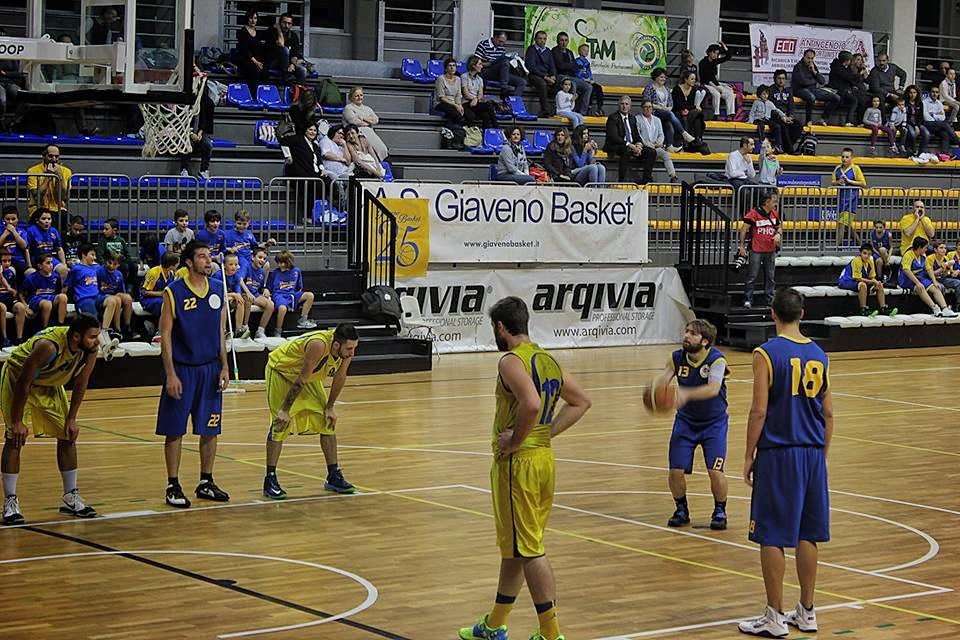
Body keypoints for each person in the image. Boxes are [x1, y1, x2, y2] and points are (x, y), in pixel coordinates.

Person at [458, 296, 591, 640]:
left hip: (519, 465)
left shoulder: (511, 362)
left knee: (530, 549)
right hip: (543, 460)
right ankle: (494, 624)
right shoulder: (547, 360)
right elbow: (580, 401)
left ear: (501, 327)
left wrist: (517, 440)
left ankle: (551, 633)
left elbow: (531, 404)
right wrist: (543, 434)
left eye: (494, 328)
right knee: (517, 547)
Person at [738, 288, 832, 638]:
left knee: (772, 534)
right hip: (812, 453)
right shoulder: (820, 354)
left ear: (773, 313)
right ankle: (807, 611)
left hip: (780, 453)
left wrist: (748, 455)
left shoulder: (766, 353)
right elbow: (829, 412)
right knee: (809, 533)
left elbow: (759, 409)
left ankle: (775, 616)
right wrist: (820, 455)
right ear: (802, 314)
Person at [1, 315, 103, 525]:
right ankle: (10, 502)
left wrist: (72, 418)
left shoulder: (90, 349)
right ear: (76, 337)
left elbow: (82, 381)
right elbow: (23, 382)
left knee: (68, 434)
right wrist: (18, 421)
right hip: (17, 379)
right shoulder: (48, 347)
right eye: (92, 336)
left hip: (48, 382)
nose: (97, 340)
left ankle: (70, 496)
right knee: (15, 437)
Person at [156, 240, 231, 508]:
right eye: (201, 257)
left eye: (209, 256)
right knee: (175, 430)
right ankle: (173, 485)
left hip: (210, 369)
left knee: (210, 429)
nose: (207, 261)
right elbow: (165, 336)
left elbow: (220, 332)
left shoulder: (219, 289)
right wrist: (170, 374)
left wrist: (224, 366)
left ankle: (206, 481)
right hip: (183, 370)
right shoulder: (173, 291)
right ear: (189, 262)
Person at [262, 323, 360, 499]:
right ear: (336, 345)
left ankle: (333, 475)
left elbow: (340, 376)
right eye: (350, 348)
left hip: (307, 377)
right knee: (280, 424)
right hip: (281, 372)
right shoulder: (318, 345)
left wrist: (330, 406)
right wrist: (285, 410)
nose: (352, 353)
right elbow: (301, 379)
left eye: (354, 348)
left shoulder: (345, 350)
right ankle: (270, 479)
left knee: (327, 421)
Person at [655, 319, 730, 530]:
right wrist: (657, 392)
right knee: (675, 471)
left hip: (713, 424)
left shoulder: (717, 360)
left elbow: (713, 389)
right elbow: (663, 380)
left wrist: (685, 394)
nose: (686, 336)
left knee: (715, 471)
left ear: (705, 341)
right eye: (686, 331)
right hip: (686, 422)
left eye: (692, 333)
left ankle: (720, 510)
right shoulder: (677, 358)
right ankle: (681, 510)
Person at [738, 190, 781, 309]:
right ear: (766, 202)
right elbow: (743, 230)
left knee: (770, 276)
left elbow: (779, 227)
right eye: (774, 201)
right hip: (756, 250)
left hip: (770, 250)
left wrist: (779, 234)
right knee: (752, 275)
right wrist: (741, 246)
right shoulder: (753, 214)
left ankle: (770, 299)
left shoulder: (775, 214)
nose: (776, 204)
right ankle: (748, 298)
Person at [603, 95, 655, 183]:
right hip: (616, 145)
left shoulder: (632, 118)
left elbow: (636, 135)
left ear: (630, 106)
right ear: (618, 105)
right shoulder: (612, 118)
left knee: (651, 152)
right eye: (622, 104)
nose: (624, 106)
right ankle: (622, 180)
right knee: (626, 150)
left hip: (631, 146)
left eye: (627, 104)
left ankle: (646, 180)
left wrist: (639, 144)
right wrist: (630, 145)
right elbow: (614, 137)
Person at [899, 236, 955, 316]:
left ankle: (945, 309)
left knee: (935, 288)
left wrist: (934, 281)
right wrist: (917, 283)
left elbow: (929, 270)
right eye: (925, 247)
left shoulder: (923, 256)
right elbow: (906, 270)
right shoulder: (908, 254)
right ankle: (935, 308)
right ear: (919, 247)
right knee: (920, 287)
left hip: (920, 277)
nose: (926, 249)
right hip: (907, 278)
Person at [265, 249, 317, 334]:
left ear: (288, 262)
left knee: (310, 295)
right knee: (282, 308)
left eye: (282, 262)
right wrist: (266, 290)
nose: (279, 265)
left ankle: (303, 320)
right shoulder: (275, 272)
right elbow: (269, 286)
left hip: (292, 294)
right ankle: (278, 330)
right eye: (278, 262)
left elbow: (299, 287)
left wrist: (295, 299)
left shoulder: (296, 271)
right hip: (279, 295)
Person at [838, 243, 893, 317]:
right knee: (862, 285)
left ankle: (883, 308)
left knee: (879, 286)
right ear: (860, 253)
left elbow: (872, 276)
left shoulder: (870, 261)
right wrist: (872, 281)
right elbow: (857, 278)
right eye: (864, 253)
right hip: (845, 281)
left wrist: (876, 282)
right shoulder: (856, 261)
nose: (866, 256)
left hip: (857, 281)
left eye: (869, 254)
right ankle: (863, 309)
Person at [643, 68, 692, 150]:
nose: (663, 79)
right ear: (656, 77)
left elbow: (671, 103)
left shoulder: (666, 89)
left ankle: (669, 145)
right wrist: (660, 107)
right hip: (655, 111)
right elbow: (646, 102)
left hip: (666, 111)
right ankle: (683, 133)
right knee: (669, 114)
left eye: (665, 77)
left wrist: (668, 108)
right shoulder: (650, 88)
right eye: (661, 77)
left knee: (669, 122)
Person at [179, 70, 215, 181]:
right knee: (188, 145)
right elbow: (181, 121)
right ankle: (184, 169)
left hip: (198, 131)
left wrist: (199, 133)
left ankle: (204, 170)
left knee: (208, 145)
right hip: (184, 131)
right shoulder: (185, 101)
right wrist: (190, 133)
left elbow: (204, 122)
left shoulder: (205, 103)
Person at [791, 49, 840, 126]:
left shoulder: (813, 66)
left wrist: (814, 71)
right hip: (800, 89)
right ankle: (808, 120)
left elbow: (822, 81)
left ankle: (823, 118)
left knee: (836, 98)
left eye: (812, 58)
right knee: (811, 97)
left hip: (813, 89)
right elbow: (803, 82)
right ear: (804, 57)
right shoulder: (798, 67)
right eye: (808, 58)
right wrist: (814, 80)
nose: (810, 60)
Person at [474, 32, 527, 100]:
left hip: (501, 73)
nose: (501, 44)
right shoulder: (483, 44)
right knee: (504, 62)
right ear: (495, 37)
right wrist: (490, 63)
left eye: (503, 42)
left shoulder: (501, 47)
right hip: (486, 71)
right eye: (500, 41)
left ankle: (512, 103)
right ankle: (504, 89)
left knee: (522, 82)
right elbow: (475, 62)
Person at [97, 250, 136, 340]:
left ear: (118, 265)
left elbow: (121, 291)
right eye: (109, 262)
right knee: (116, 299)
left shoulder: (119, 274)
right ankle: (117, 328)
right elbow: (95, 289)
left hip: (114, 296)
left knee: (127, 298)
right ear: (106, 260)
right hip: (101, 296)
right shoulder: (98, 272)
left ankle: (127, 326)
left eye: (115, 264)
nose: (111, 265)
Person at [637, 100, 679, 183]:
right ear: (642, 108)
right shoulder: (637, 119)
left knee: (665, 154)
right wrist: (648, 144)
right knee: (651, 152)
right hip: (644, 146)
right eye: (646, 107)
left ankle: (673, 176)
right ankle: (648, 177)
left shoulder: (657, 120)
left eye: (650, 107)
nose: (648, 109)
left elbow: (661, 134)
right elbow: (638, 135)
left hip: (655, 145)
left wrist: (659, 143)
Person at [140, 251, 180, 338]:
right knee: (165, 304)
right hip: (147, 300)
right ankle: (159, 332)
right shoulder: (154, 272)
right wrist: (161, 294)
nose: (178, 265)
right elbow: (144, 292)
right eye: (177, 264)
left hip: (161, 298)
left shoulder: (172, 274)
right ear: (171, 265)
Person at [343, 86, 389, 160]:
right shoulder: (348, 108)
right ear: (351, 97)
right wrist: (367, 120)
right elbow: (354, 121)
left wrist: (361, 117)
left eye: (361, 95)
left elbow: (376, 120)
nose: (359, 97)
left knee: (382, 148)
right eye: (356, 96)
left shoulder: (367, 108)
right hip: (356, 133)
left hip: (369, 131)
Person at [831, 148, 866, 247]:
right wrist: (838, 182)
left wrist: (849, 181)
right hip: (841, 201)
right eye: (843, 157)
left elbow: (863, 183)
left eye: (847, 157)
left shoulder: (855, 169)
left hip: (851, 202)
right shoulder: (837, 169)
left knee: (841, 223)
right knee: (848, 226)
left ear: (851, 158)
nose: (844, 159)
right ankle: (860, 244)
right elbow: (833, 182)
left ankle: (838, 245)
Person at [22, 253, 67, 328]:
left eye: (51, 262)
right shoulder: (31, 278)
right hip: (36, 299)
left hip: (51, 297)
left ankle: (60, 326)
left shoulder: (56, 276)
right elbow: (21, 294)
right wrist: (26, 307)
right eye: (48, 263)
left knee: (63, 297)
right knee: (47, 304)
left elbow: (58, 292)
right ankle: (44, 328)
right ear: (40, 266)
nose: (51, 265)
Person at [551, 32, 591, 115]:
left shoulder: (569, 52)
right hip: (560, 76)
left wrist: (568, 66)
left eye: (566, 40)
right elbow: (560, 66)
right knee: (572, 84)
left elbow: (575, 67)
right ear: (557, 41)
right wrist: (570, 65)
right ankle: (570, 110)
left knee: (588, 87)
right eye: (561, 40)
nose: (563, 42)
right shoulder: (554, 51)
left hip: (571, 76)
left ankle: (582, 112)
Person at [240, 247, 275, 340]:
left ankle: (260, 331)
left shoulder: (262, 272)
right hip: (243, 293)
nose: (262, 260)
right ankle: (245, 327)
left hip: (255, 294)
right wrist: (248, 293)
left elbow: (260, 288)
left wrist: (265, 290)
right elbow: (239, 280)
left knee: (271, 305)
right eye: (260, 257)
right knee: (248, 299)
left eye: (264, 258)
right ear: (252, 257)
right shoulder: (246, 266)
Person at [25, 208, 68, 280]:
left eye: (49, 219)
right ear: (37, 221)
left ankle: (61, 291)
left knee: (64, 270)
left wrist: (64, 264)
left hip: (50, 259)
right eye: (44, 219)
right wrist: (29, 265)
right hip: (36, 260)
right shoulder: (31, 230)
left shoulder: (53, 231)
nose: (47, 221)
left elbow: (59, 249)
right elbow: (27, 249)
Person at [96, 218, 136, 292]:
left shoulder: (121, 240)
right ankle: (119, 289)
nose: (104, 231)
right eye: (103, 229)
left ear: (114, 230)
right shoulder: (103, 241)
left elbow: (127, 254)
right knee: (123, 267)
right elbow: (99, 256)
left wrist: (128, 260)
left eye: (106, 229)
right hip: (109, 262)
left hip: (120, 261)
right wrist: (106, 264)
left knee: (134, 266)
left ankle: (130, 287)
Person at [233, 8, 267, 96]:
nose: (253, 20)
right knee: (254, 70)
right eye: (251, 18)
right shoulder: (242, 32)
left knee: (264, 70)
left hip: (255, 58)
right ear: (247, 18)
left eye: (255, 18)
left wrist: (260, 62)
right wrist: (256, 62)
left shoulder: (258, 33)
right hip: (244, 58)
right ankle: (253, 95)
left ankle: (263, 95)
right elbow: (244, 50)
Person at [524, 30, 558, 117]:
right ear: (535, 39)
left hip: (547, 75)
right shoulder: (531, 49)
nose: (542, 41)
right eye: (540, 39)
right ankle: (545, 111)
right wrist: (545, 77)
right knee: (542, 84)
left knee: (562, 83)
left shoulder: (548, 51)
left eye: (544, 39)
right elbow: (531, 66)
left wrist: (553, 75)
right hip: (535, 75)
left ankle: (558, 110)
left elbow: (552, 65)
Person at [266, 13, 307, 85]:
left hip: (288, 65)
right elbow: (281, 44)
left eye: (289, 23)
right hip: (274, 63)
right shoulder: (272, 31)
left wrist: (293, 64)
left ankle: (297, 94)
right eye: (284, 23)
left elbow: (295, 53)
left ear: (291, 25)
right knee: (285, 49)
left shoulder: (293, 36)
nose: (286, 26)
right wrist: (279, 30)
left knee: (303, 70)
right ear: (279, 22)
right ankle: (287, 76)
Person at [698, 42, 735, 120]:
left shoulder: (715, 61)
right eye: (714, 53)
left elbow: (728, 57)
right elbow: (705, 78)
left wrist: (724, 46)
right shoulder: (702, 63)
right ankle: (716, 114)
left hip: (715, 83)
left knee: (730, 92)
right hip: (706, 84)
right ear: (709, 52)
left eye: (717, 53)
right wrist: (716, 87)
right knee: (716, 94)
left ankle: (730, 114)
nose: (715, 55)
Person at [461, 55, 499, 131]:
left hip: (476, 103)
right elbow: (466, 94)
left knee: (486, 115)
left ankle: (487, 136)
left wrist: (476, 99)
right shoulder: (464, 76)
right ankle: (497, 127)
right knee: (488, 106)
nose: (482, 66)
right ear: (473, 66)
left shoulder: (480, 79)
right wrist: (474, 98)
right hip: (466, 102)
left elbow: (480, 94)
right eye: (480, 64)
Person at [64, 243, 100, 320]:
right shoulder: (76, 269)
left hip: (98, 297)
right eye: (92, 255)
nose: (95, 257)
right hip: (84, 299)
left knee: (113, 300)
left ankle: (110, 329)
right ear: (84, 255)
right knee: (93, 322)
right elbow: (67, 285)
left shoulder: (97, 268)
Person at [671, 70, 707, 149]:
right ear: (686, 79)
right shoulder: (677, 89)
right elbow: (676, 104)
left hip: (690, 112)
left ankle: (695, 139)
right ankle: (694, 140)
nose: (694, 81)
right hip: (678, 110)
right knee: (692, 115)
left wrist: (690, 108)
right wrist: (685, 109)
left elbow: (694, 105)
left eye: (694, 79)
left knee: (697, 116)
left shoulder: (694, 90)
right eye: (692, 79)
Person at [749, 85, 789, 153]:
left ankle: (778, 145)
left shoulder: (770, 103)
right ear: (759, 94)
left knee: (777, 126)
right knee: (761, 126)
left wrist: (783, 116)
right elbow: (752, 112)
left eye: (767, 94)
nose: (765, 96)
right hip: (758, 119)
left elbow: (776, 110)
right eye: (763, 94)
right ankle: (762, 141)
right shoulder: (756, 102)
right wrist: (750, 120)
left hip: (767, 119)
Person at [769, 69, 801, 154]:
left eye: (783, 78)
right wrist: (782, 116)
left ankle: (786, 147)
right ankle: (790, 150)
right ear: (775, 79)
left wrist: (790, 116)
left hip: (786, 116)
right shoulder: (770, 91)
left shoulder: (788, 91)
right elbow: (771, 107)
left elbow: (791, 105)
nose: (781, 80)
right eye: (779, 78)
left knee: (798, 125)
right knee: (783, 126)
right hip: (775, 117)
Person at [0, 250, 27, 346]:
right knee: (2, 307)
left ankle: (19, 338)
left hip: (9, 299)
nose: (7, 263)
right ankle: (4, 338)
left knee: (20, 307)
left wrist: (15, 295)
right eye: (4, 261)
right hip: (0, 301)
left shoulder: (11, 272)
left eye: (9, 261)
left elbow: (15, 290)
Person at [923, 85, 956, 156]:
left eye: (936, 92)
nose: (935, 94)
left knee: (945, 134)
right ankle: (957, 141)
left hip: (937, 125)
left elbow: (942, 117)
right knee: (945, 125)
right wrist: (937, 115)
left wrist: (933, 115)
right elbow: (926, 117)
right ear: (930, 93)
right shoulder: (924, 102)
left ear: (938, 94)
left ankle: (944, 153)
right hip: (927, 124)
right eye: (933, 92)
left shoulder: (939, 103)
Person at [434, 58, 467, 128]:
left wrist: (459, 105)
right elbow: (441, 97)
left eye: (454, 65)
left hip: (453, 103)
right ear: (446, 69)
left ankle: (453, 130)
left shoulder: (458, 79)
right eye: (450, 66)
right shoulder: (441, 79)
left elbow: (458, 95)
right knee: (455, 114)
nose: (452, 68)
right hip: (441, 103)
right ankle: (459, 129)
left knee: (463, 112)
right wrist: (455, 105)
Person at [574, 44, 604, 116]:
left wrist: (591, 79)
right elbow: (577, 73)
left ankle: (599, 107)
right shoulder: (577, 61)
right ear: (579, 51)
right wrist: (584, 79)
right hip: (581, 81)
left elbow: (589, 72)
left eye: (587, 51)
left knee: (598, 88)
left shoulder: (587, 62)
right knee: (589, 88)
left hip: (588, 80)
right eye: (584, 50)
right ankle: (588, 107)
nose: (586, 52)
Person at [1, 205, 29, 278]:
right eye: (8, 219)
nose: (10, 222)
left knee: (31, 273)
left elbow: (24, 246)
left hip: (19, 260)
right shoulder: (1, 230)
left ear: (18, 219)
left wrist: (14, 232)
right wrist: (5, 234)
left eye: (13, 219)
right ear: (3, 220)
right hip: (3, 260)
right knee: (10, 271)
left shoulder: (22, 230)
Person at [222, 254, 246, 337]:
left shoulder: (236, 276)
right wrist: (233, 294)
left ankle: (238, 329)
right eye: (231, 264)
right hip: (219, 299)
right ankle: (223, 330)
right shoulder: (219, 275)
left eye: (236, 264)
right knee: (224, 301)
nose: (234, 267)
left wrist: (235, 295)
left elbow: (238, 294)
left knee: (241, 301)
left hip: (230, 298)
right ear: (224, 265)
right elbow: (218, 293)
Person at [903, 85, 931, 157]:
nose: (912, 95)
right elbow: (905, 117)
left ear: (917, 93)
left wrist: (917, 126)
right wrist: (915, 126)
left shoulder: (920, 103)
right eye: (910, 93)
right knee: (912, 133)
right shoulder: (904, 103)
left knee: (927, 133)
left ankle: (921, 152)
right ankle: (912, 150)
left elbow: (920, 117)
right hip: (907, 122)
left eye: (914, 93)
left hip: (917, 123)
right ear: (907, 93)